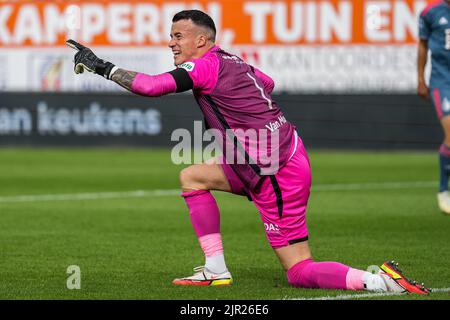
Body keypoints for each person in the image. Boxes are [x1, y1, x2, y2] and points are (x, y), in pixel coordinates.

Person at [67, 10, 429, 294]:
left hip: (273, 173)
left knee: (299, 270)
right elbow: (267, 83)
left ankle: (380, 281)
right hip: (276, 157)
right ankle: (215, 269)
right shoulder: (232, 61)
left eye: (178, 36)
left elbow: (151, 86)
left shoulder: (205, 65)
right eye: (171, 36)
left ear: (202, 39)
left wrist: (102, 66)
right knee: (192, 176)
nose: (171, 43)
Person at [418, 0, 450, 215]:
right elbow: (422, 45)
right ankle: (443, 190)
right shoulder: (431, 12)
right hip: (443, 80)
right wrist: (420, 78)